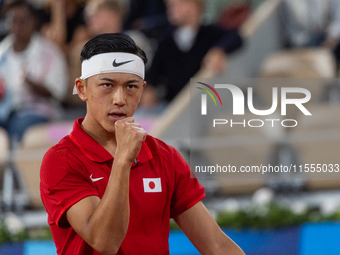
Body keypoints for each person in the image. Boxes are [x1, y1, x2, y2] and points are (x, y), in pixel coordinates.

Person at [40, 33, 245, 255]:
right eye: (107, 85)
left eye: (131, 87)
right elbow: (105, 242)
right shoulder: (61, 160)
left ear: (142, 89)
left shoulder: (165, 156)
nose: (119, 98)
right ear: (82, 89)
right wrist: (123, 160)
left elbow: (217, 246)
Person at [145, 0, 243, 104]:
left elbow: (235, 37)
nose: (171, 9)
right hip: (174, 105)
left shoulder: (209, 34)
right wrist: (149, 89)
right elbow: (153, 74)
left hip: (205, 103)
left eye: (178, 4)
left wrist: (219, 50)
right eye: (170, 5)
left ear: (194, 6)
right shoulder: (166, 42)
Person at [0, 0, 68, 146]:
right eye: (13, 20)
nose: (18, 26)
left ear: (33, 22)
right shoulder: (1, 52)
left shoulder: (50, 53)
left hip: (38, 112)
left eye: (23, 20)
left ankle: (15, 168)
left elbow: (58, 93)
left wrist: (31, 83)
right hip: (5, 111)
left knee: (18, 125)